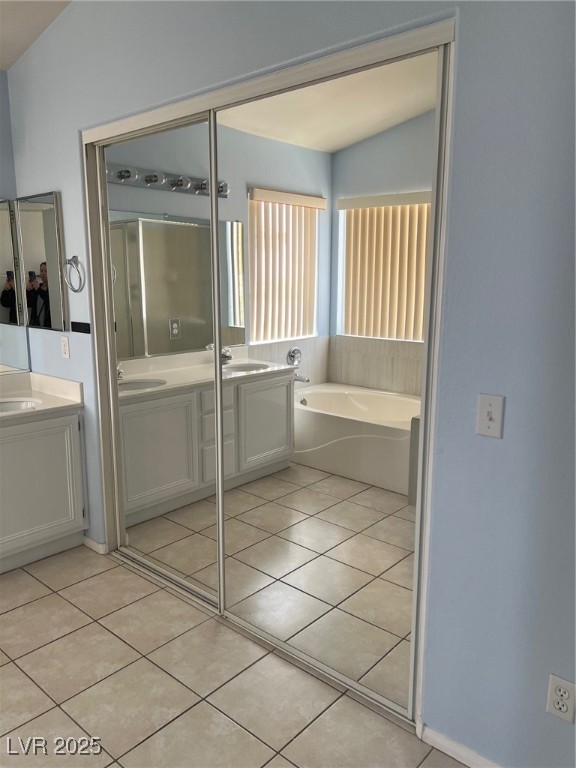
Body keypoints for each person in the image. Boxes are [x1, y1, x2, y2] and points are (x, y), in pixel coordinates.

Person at [27, 261, 51, 328]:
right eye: (41, 271)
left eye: (46, 271)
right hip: (35, 325)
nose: (43, 273)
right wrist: (28, 291)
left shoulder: (54, 290)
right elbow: (29, 304)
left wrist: (38, 289)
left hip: (48, 326)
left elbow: (47, 302)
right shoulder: (37, 287)